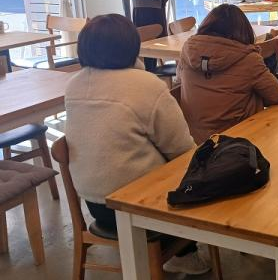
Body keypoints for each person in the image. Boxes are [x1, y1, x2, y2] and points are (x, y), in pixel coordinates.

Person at [64, 14, 210, 275]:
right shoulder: (146, 85)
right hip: (140, 207)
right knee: (193, 166)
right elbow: (181, 149)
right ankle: (184, 254)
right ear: (131, 47)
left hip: (95, 206)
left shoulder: (73, 85)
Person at [177, 4, 278, 143]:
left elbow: (179, 80)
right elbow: (277, 95)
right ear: (243, 31)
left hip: (195, 141)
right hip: (238, 139)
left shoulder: (187, 52)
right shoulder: (248, 59)